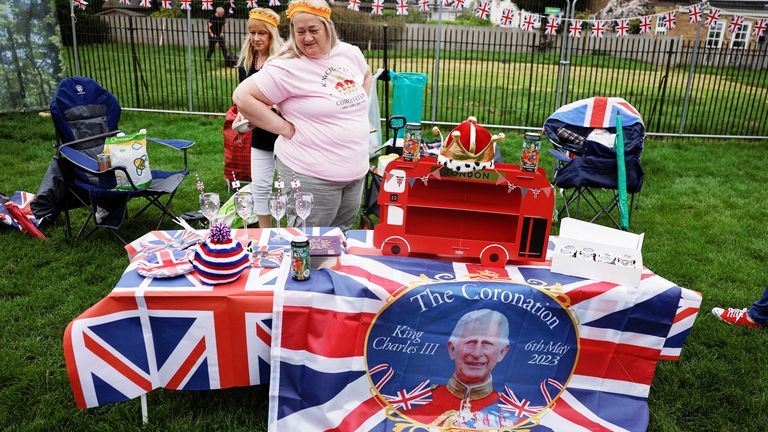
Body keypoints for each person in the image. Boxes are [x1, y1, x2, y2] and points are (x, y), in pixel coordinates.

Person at [232, 0, 372, 231]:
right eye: (300, 32)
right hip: (312, 175)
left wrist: (358, 111)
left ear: (328, 27)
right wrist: (285, 128)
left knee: (338, 239)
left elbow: (366, 75)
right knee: (308, 244)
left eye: (313, 30)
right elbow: (243, 96)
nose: (307, 38)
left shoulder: (350, 53)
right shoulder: (287, 65)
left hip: (355, 173)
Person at [404, 309, 516, 428]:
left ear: (502, 352)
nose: (477, 354)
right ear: (452, 349)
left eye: (487, 344)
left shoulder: (516, 412)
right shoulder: (410, 402)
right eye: (470, 342)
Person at [234, 8, 284, 228]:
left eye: (262, 33)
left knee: (289, 188)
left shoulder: (283, 61)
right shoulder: (246, 63)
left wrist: (267, 109)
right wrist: (241, 117)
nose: (256, 38)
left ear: (272, 34)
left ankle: (290, 231)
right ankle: (266, 235)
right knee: (261, 186)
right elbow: (244, 100)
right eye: (252, 32)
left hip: (286, 134)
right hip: (260, 135)